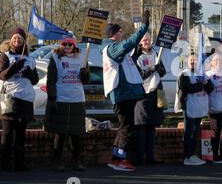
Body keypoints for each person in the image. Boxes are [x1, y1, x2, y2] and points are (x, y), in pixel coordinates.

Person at [101, 10, 150, 171]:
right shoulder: (112, 48)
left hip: (125, 93)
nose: (122, 33)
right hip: (122, 94)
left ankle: (115, 159)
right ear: (113, 34)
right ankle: (120, 160)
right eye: (119, 31)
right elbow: (128, 44)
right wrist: (143, 28)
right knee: (127, 128)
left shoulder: (114, 49)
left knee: (124, 127)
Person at [45, 37, 90, 172]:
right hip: (61, 99)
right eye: (65, 44)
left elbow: (86, 80)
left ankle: (76, 161)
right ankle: (56, 161)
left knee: (76, 134)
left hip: (77, 100)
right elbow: (50, 80)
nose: (67, 46)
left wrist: (84, 73)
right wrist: (52, 98)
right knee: (60, 133)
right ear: (61, 45)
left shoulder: (82, 58)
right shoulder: (55, 58)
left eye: (70, 44)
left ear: (74, 45)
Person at [0, 28, 39, 171]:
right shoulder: (5, 56)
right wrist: (16, 65)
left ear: (24, 42)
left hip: (26, 99)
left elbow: (35, 80)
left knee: (21, 134)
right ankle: (4, 163)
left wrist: (29, 73)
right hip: (10, 98)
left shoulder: (30, 58)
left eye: (20, 39)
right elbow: (3, 75)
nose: (17, 41)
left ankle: (19, 163)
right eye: (15, 38)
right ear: (11, 40)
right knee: (7, 133)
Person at [132, 32, 165, 166]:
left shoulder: (156, 53)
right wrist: (152, 68)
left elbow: (162, 72)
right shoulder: (135, 57)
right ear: (139, 42)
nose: (147, 42)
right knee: (141, 127)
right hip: (142, 94)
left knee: (151, 127)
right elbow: (138, 76)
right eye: (144, 40)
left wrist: (159, 68)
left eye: (148, 40)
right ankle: (140, 158)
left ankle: (150, 157)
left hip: (155, 93)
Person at [175, 53, 214, 166]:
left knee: (196, 132)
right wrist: (201, 85)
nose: (193, 62)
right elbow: (187, 88)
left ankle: (193, 154)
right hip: (189, 107)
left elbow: (211, 88)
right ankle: (187, 156)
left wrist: (205, 83)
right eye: (191, 60)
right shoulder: (184, 74)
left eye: (195, 60)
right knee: (189, 132)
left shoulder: (202, 74)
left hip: (199, 107)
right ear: (187, 61)